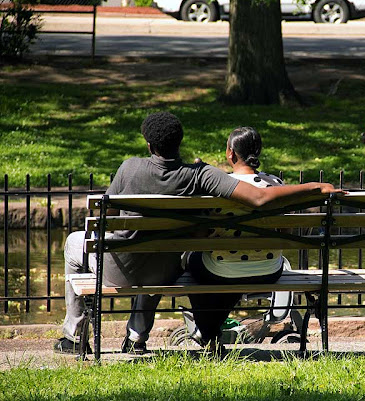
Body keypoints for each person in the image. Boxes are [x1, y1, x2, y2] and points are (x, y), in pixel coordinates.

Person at [54, 112, 338, 355]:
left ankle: (74, 337)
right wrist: (314, 187)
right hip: (164, 272)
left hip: (118, 269)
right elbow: (259, 198)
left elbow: (108, 218)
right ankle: (136, 338)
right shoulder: (199, 175)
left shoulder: (130, 167)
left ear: (149, 144)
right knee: (157, 251)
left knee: (74, 243)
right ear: (179, 142)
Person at [184, 126, 290, 348]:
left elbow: (199, 234)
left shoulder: (220, 188)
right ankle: (211, 330)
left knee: (193, 261)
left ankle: (208, 331)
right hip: (269, 271)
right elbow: (285, 232)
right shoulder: (275, 185)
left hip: (221, 271)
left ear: (230, 153)